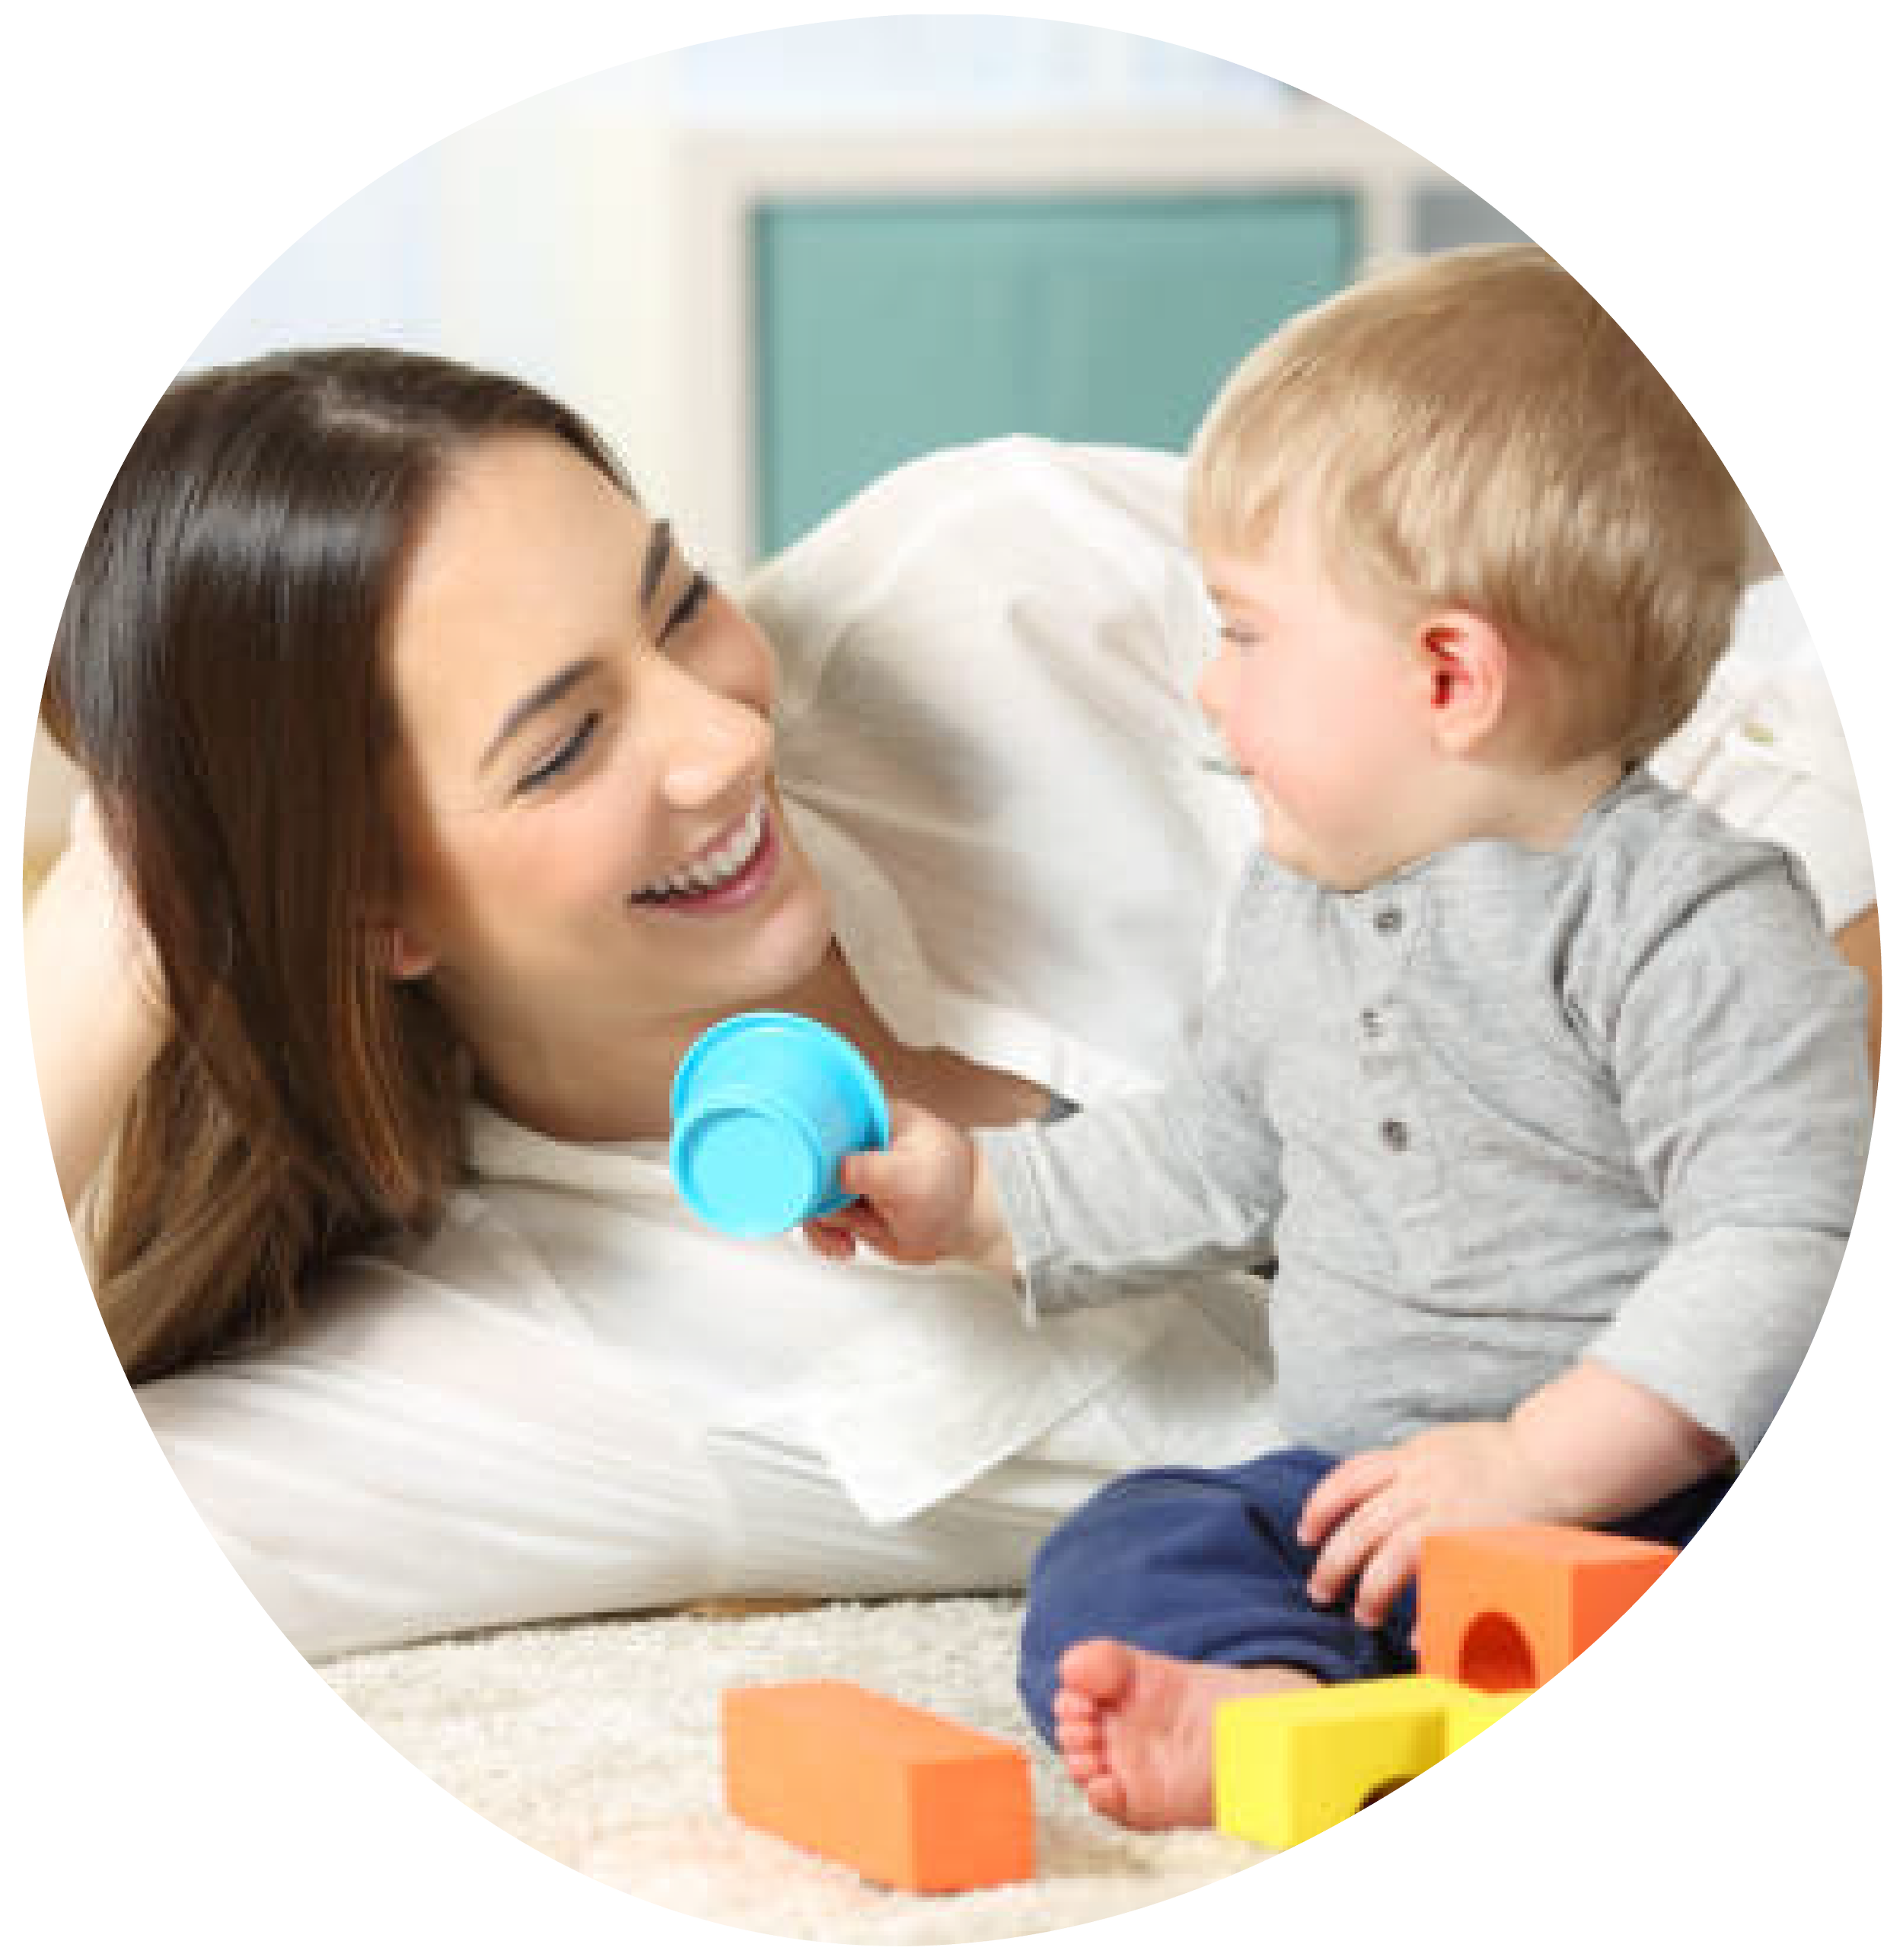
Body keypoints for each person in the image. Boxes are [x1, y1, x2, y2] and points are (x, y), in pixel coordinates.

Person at [24, 333, 1879, 1669]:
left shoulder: (1004, 578)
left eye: (676, 603)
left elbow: (1722, 689)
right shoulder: (527, 1363)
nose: (722, 737)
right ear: (367, 909)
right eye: (568, 745)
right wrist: (130, 918)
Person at [810, 247, 1877, 1829]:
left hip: (1656, 1495)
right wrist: (977, 1202)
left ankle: (1531, 1721)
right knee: (1130, 1542)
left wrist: (1536, 1467)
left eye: (1244, 634)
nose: (1206, 686)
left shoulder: (1690, 919)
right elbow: (1218, 1146)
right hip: (1362, 1494)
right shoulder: (1295, 905)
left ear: (1449, 676)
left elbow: (1775, 1240)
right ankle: (1277, 1705)